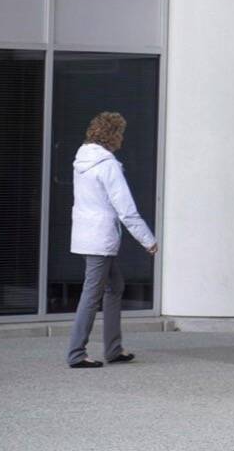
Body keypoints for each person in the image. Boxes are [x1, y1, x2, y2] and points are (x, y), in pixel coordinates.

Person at [65, 112, 158, 369]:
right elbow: (126, 209)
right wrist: (148, 240)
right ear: (113, 135)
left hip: (86, 233)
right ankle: (76, 353)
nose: (123, 138)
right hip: (100, 237)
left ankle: (114, 349)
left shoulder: (81, 161)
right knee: (92, 293)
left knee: (114, 285)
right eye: (121, 133)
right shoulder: (107, 166)